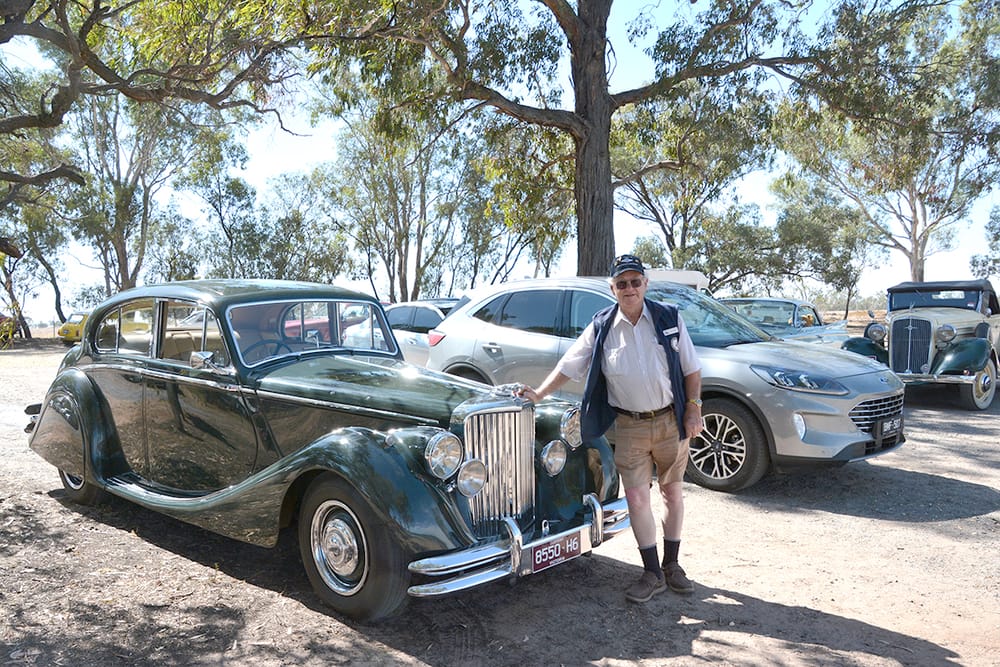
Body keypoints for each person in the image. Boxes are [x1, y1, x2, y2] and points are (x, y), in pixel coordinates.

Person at [516, 254, 703, 603]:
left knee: (672, 493)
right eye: (622, 283)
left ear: (646, 284)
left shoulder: (668, 318)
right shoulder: (602, 325)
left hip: (670, 420)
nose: (629, 289)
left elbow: (692, 370)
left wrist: (693, 409)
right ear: (612, 288)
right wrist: (539, 393)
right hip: (629, 426)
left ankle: (672, 565)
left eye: (635, 282)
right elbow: (570, 363)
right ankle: (651, 572)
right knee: (635, 497)